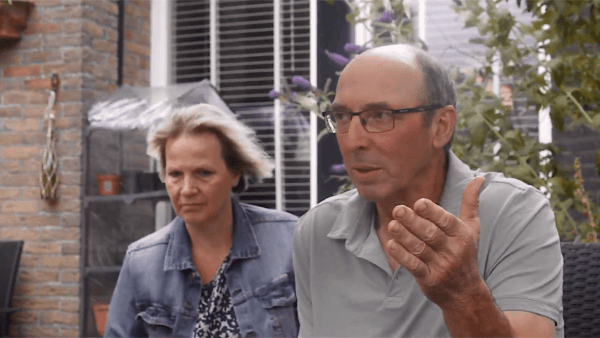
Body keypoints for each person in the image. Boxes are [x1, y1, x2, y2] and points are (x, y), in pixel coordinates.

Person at [293, 44, 563, 337]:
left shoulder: (514, 212)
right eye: (342, 116)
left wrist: (461, 293)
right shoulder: (318, 230)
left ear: (440, 126)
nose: (353, 140)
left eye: (381, 115)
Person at [104, 104, 299, 337]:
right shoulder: (141, 263)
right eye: (175, 174)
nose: (187, 189)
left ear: (235, 173)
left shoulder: (290, 240)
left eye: (204, 173)